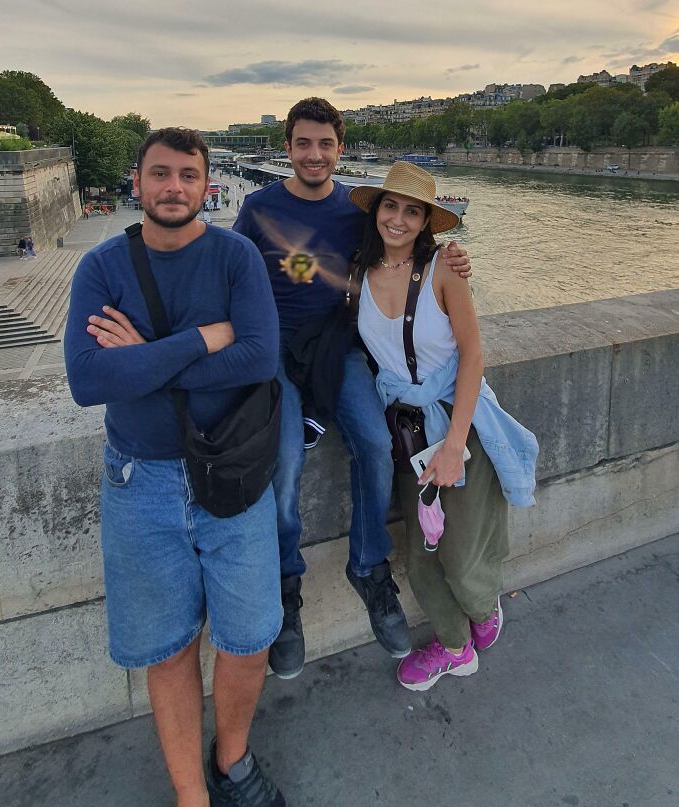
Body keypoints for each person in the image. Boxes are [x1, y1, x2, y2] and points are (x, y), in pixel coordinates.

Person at [64, 128, 286, 807]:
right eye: (160, 174)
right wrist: (198, 340)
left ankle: (231, 757)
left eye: (188, 175)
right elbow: (87, 379)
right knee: (169, 650)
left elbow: (259, 357)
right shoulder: (100, 267)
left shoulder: (236, 256)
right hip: (141, 481)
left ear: (206, 184)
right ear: (136, 182)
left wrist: (145, 358)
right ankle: (192, 794)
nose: (174, 187)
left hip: (232, 471)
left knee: (249, 642)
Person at [233, 98, 472, 680]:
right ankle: (287, 587)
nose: (314, 155)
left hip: (337, 347)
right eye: (303, 144)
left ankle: (368, 567)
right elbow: (228, 269)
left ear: (340, 149)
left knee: (374, 442)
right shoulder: (257, 207)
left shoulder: (356, 212)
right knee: (285, 462)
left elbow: (403, 247)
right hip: (276, 351)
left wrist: (455, 259)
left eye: (325, 144)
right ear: (288, 148)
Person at [349, 161, 539, 691]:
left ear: (426, 222)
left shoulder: (445, 270)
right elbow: (293, 270)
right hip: (407, 431)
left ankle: (483, 608)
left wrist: (455, 446)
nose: (398, 219)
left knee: (461, 554)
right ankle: (455, 647)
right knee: (420, 555)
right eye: (390, 206)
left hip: (458, 423)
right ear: (376, 211)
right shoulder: (356, 273)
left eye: (413, 212)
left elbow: (473, 356)